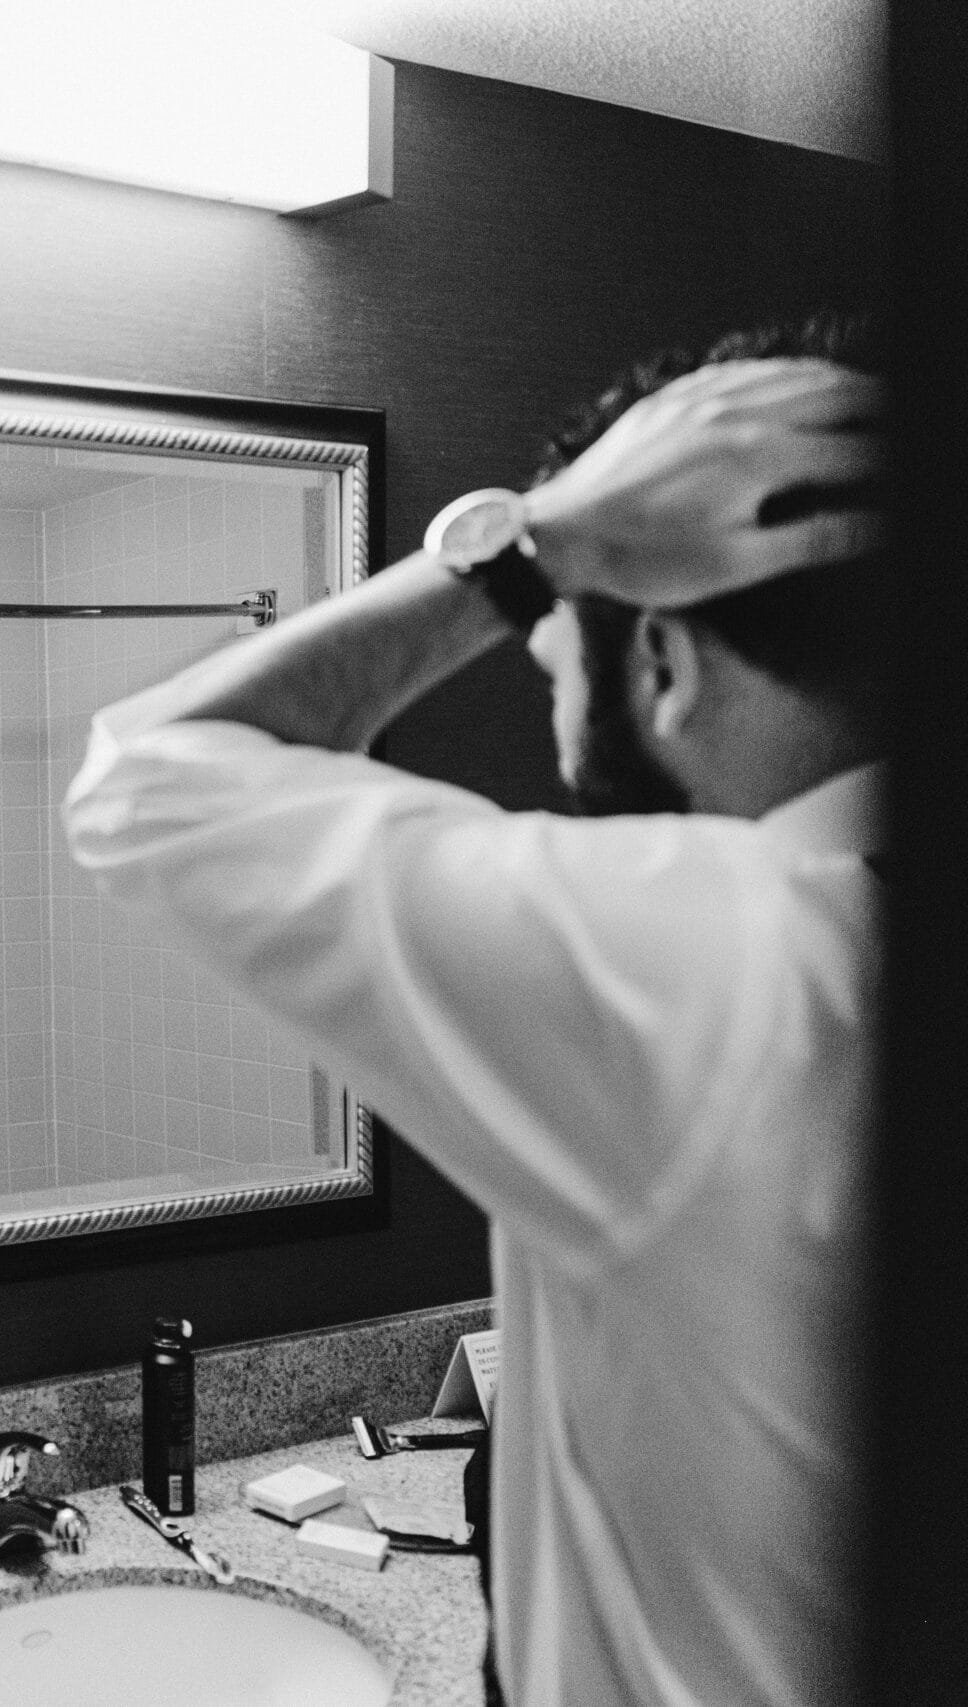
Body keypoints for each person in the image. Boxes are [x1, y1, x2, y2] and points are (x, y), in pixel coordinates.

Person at [61, 319, 884, 1707]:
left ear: (664, 663)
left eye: (555, 656)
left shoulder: (719, 956)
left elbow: (147, 784)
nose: (553, 698)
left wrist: (534, 542)